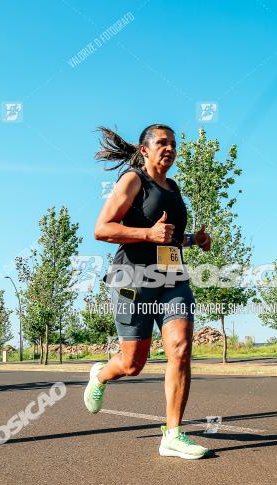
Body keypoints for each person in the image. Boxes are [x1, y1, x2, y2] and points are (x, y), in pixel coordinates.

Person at [86, 124, 212, 460]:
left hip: (172, 279)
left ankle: (173, 434)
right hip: (132, 280)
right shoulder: (132, 180)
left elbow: (168, 237)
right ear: (145, 150)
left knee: (181, 347)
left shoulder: (173, 187)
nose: (169, 148)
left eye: (173, 143)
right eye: (162, 143)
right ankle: (100, 375)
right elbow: (102, 228)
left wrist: (193, 241)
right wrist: (147, 234)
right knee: (133, 364)